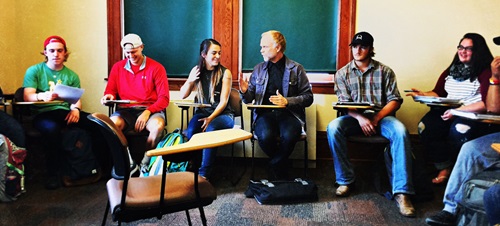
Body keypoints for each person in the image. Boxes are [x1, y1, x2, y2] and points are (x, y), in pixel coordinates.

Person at [327, 31, 415, 217]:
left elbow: (395, 100)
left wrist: (375, 119)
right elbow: (344, 103)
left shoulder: (385, 71)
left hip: (381, 118)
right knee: (333, 127)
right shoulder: (342, 73)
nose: (358, 50)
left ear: (371, 49)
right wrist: (361, 119)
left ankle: (402, 192)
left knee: (400, 131)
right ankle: (345, 180)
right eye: (355, 46)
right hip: (354, 118)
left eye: (363, 47)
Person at [425, 39, 500, 226]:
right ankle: (450, 210)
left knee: (460, 130)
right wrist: (496, 78)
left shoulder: (480, 71)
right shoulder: (492, 72)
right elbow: (493, 107)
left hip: (477, 121)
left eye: (468, 49)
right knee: (469, 149)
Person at [407, 33, 497, 185]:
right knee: (426, 127)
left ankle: (459, 171)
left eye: (468, 49)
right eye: (461, 47)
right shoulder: (452, 70)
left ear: (478, 51)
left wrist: (458, 111)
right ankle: (443, 167)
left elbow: (486, 104)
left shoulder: (486, 71)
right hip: (448, 111)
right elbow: (438, 92)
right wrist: (422, 94)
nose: (463, 51)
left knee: (459, 130)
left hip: (471, 114)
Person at [22, 35, 99, 189]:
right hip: (42, 114)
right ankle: (53, 174)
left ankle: (98, 168)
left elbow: (76, 98)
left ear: (65, 53)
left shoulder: (71, 75)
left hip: (64, 112)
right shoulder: (34, 71)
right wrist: (41, 96)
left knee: (97, 124)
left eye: (59, 50)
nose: (56, 54)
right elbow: (27, 95)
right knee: (51, 130)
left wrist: (76, 109)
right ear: (45, 53)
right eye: (52, 51)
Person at [239, 30, 313, 180]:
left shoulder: (296, 69)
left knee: (290, 135)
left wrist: (287, 101)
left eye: (265, 47)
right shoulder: (258, 69)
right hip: (264, 114)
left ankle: (274, 165)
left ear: (278, 47)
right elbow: (248, 99)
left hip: (289, 114)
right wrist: (244, 91)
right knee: (265, 137)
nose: (261, 50)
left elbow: (308, 97)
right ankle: (282, 166)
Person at [101, 33, 170, 169]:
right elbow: (110, 91)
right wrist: (108, 97)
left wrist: (147, 112)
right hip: (125, 111)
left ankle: (146, 162)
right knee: (112, 125)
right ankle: (128, 161)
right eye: (127, 53)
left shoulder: (156, 68)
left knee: (157, 127)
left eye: (134, 52)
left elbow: (164, 99)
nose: (131, 56)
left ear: (142, 47)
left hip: (150, 110)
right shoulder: (118, 67)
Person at [179, 39, 234, 179]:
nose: (217, 56)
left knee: (211, 130)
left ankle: (204, 174)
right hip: (202, 113)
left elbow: (223, 102)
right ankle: (194, 167)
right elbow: (183, 95)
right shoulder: (196, 70)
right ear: (204, 54)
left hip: (223, 115)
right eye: (213, 53)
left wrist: (210, 118)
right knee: (191, 131)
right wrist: (190, 80)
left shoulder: (225, 73)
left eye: (219, 53)